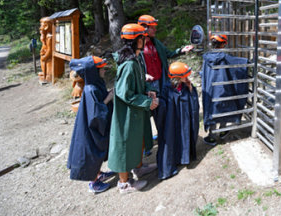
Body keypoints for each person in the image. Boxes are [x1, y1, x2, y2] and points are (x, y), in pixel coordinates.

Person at [108, 24, 159, 194]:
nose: (146, 40)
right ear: (138, 40)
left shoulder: (135, 58)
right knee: (124, 143)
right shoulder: (129, 63)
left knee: (138, 138)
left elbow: (136, 82)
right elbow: (124, 92)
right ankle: (124, 183)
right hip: (127, 113)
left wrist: (147, 91)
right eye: (144, 38)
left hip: (135, 109)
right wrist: (146, 102)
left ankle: (138, 168)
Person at [137, 15, 194, 153]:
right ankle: (145, 144)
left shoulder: (156, 42)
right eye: (152, 27)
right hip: (145, 85)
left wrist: (181, 50)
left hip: (161, 82)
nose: (155, 30)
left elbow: (168, 53)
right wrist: (141, 76)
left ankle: (162, 135)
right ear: (144, 28)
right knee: (145, 114)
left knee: (161, 110)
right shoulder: (137, 45)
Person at [67, 56, 115, 194]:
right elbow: (95, 114)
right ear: (94, 71)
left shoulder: (95, 84)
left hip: (91, 128)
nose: (104, 70)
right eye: (101, 68)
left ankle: (98, 173)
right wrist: (108, 98)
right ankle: (93, 183)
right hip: (90, 130)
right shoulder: (91, 89)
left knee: (97, 153)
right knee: (92, 153)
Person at [201, 34, 249, 146]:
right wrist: (248, 61)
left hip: (210, 90)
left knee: (212, 110)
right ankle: (222, 131)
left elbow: (203, 73)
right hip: (222, 88)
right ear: (224, 44)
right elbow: (239, 63)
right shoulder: (226, 57)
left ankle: (212, 137)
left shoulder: (206, 58)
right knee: (224, 108)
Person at [156, 62, 200, 180]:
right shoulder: (166, 89)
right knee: (171, 139)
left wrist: (191, 89)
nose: (187, 77)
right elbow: (162, 106)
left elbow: (193, 104)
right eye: (185, 75)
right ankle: (169, 166)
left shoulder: (186, 86)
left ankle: (183, 157)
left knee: (184, 136)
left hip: (183, 120)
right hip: (171, 121)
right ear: (178, 77)